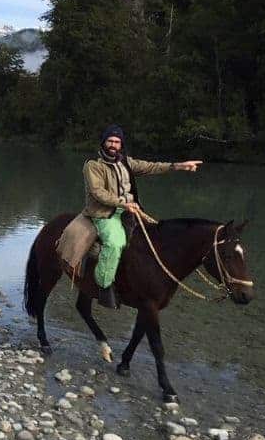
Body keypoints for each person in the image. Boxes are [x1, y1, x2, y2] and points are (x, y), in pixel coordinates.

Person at [84, 125, 203, 308]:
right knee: (115, 243)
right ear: (104, 142)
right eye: (110, 141)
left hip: (131, 211)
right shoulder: (93, 166)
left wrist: (177, 166)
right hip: (106, 213)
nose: (113, 145)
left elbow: (150, 167)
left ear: (121, 144)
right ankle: (104, 286)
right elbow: (98, 192)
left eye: (117, 142)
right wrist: (123, 203)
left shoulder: (126, 162)